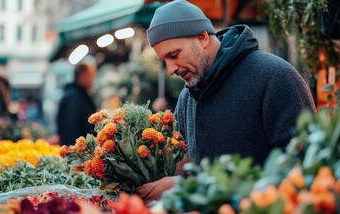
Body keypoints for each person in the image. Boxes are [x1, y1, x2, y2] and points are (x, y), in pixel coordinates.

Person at [135, 0, 316, 202]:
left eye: (174, 55)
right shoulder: (186, 98)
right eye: (164, 61)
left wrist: (188, 186)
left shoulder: (276, 76)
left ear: (203, 38)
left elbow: (303, 169)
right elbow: (185, 167)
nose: (171, 69)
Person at [57, 63, 97, 146]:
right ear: (83, 75)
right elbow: (71, 129)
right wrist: (77, 152)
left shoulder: (77, 95)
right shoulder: (74, 97)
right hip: (77, 153)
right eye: (91, 76)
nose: (93, 80)